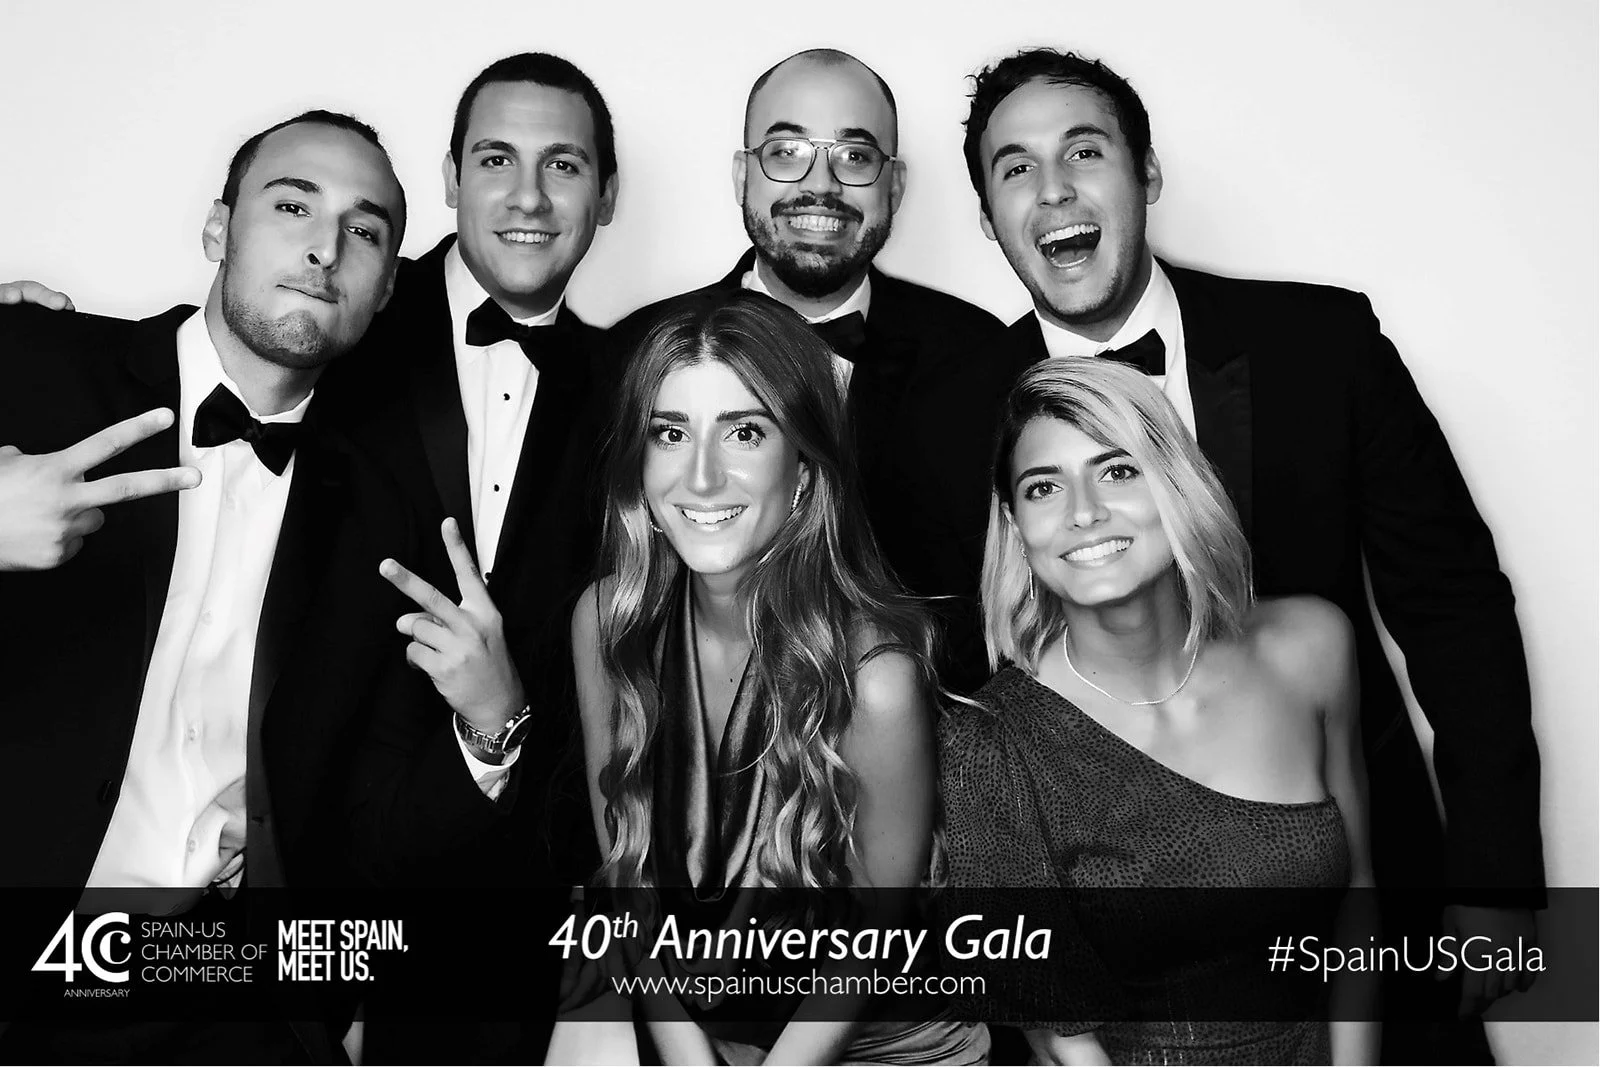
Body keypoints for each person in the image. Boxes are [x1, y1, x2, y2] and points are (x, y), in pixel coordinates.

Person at [959, 47, 1541, 1058]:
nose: (1052, 188)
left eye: (1083, 152)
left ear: (1144, 177)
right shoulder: (949, 408)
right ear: (987, 216)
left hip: (1349, 896)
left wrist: (1492, 877)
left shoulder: (1322, 342)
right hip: (1122, 958)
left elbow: (1452, 602)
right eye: (1014, 167)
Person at [0, 109, 474, 1061]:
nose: (324, 247)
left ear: (385, 288)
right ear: (218, 230)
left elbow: (371, 813)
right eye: (292, 204)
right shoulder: (33, 363)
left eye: (366, 230)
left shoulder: (389, 516)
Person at [570, 291, 989, 1065]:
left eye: (745, 432)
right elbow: (626, 882)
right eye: (671, 433)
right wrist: (687, 1051)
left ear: (804, 466)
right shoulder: (607, 624)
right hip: (688, 1018)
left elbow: (869, 945)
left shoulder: (876, 678)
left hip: (870, 1039)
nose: (700, 477)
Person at [940, 357, 1375, 1064]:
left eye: (1117, 471)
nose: (1084, 511)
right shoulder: (987, 741)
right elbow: (1059, 1035)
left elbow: (1359, 898)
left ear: (1175, 482)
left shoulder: (1313, 648)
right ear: (1016, 526)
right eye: (1044, 487)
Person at [614, 48, 1006, 693]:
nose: (819, 184)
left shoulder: (980, 357)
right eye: (786, 152)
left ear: (895, 185)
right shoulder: (637, 352)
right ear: (744, 174)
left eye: (855, 157)